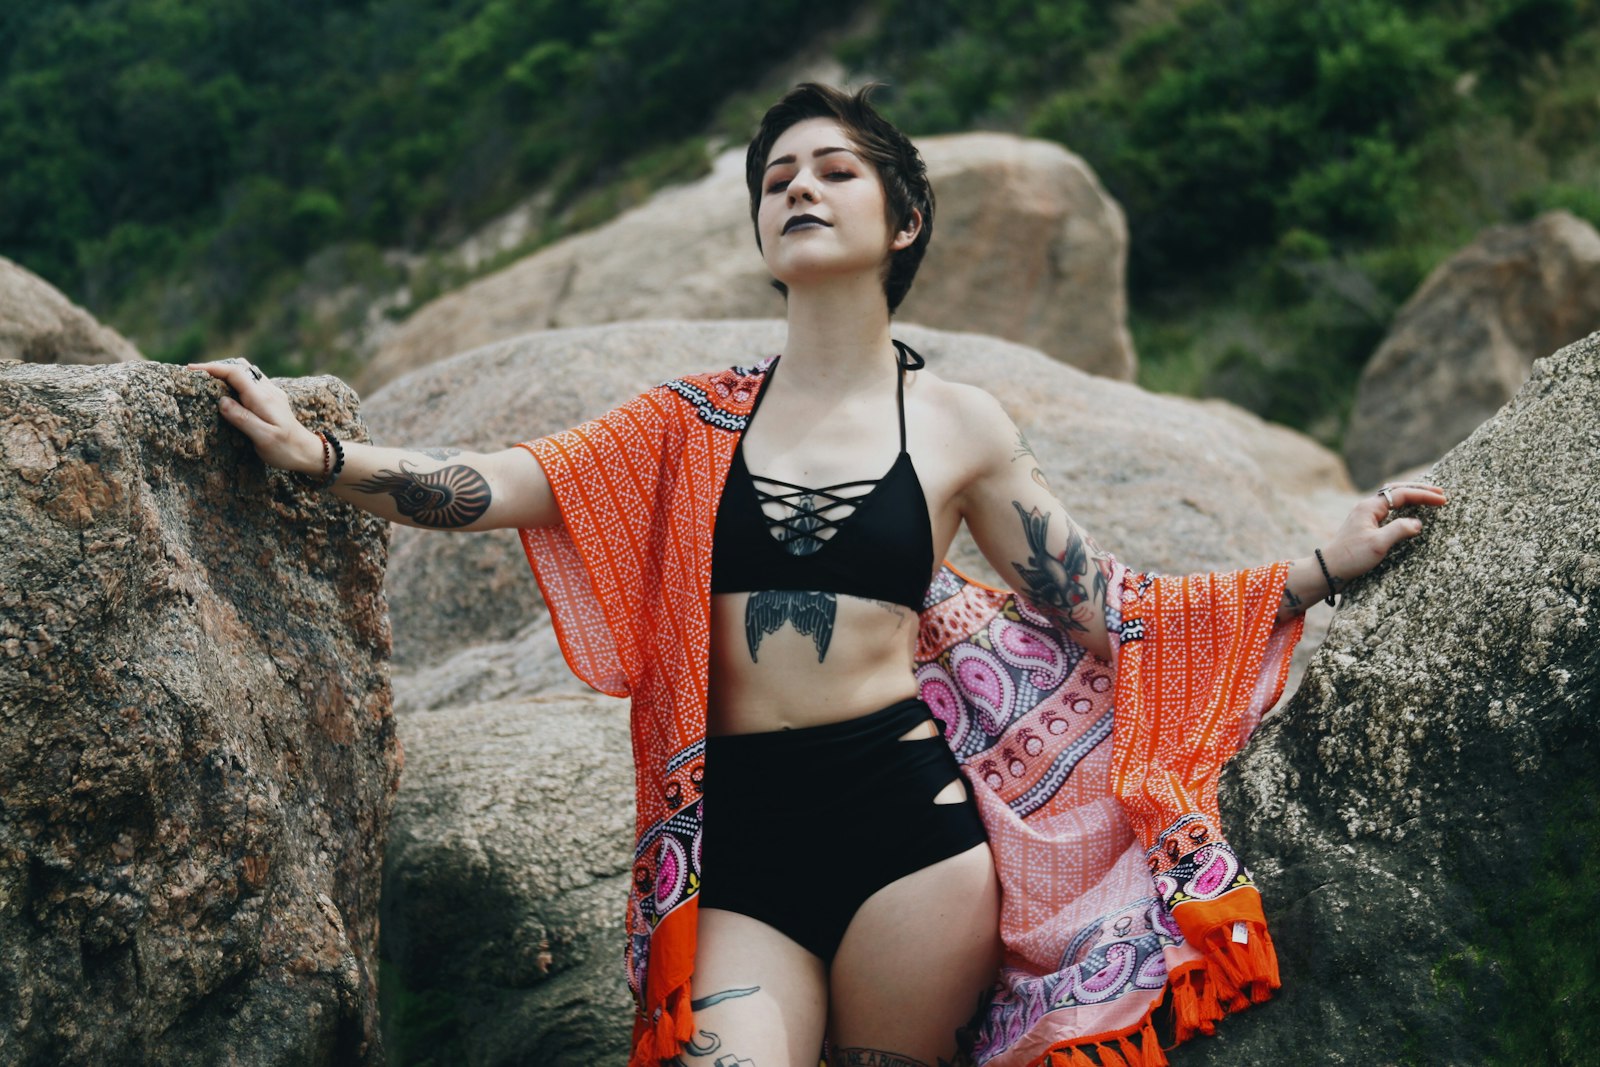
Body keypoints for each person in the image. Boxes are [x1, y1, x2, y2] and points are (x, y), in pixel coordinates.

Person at [191, 83, 1446, 1067]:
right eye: (776, 177)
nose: (799, 186)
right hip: (735, 841)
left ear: (900, 221)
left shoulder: (959, 425)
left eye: (834, 170)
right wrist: (322, 455)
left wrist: (1323, 562)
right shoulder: (685, 424)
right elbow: (497, 482)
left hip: (913, 836)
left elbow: (1106, 607)